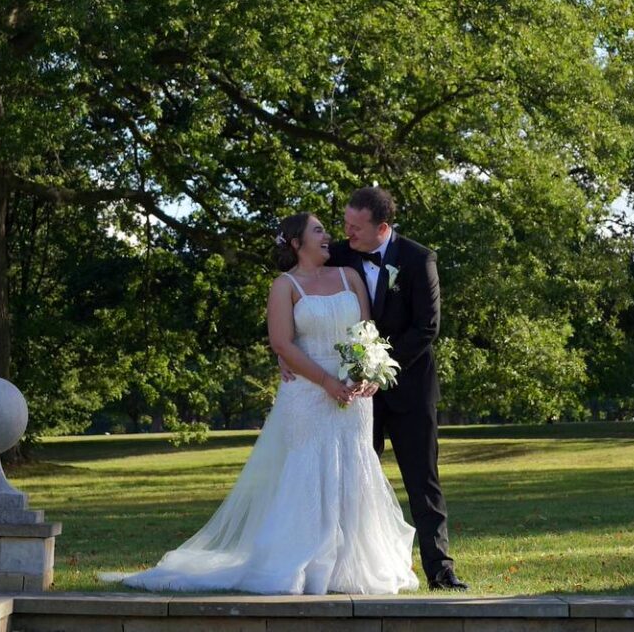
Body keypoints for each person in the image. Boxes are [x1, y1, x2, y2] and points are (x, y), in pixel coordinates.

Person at [103, 213, 421, 595]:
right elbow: (282, 344)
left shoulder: (349, 277)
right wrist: (325, 382)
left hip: (354, 396)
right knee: (307, 472)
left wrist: (367, 374)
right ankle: (302, 564)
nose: (328, 236)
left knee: (352, 468)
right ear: (295, 242)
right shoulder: (284, 286)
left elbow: (367, 334)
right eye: (318, 230)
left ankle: (347, 567)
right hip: (308, 391)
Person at [314, 186, 467, 591]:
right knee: (352, 479)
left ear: (382, 227)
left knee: (422, 480)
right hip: (353, 394)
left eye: (355, 226)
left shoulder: (419, 259)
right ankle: (344, 567)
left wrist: (377, 368)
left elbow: (427, 328)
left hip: (410, 390)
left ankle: (440, 568)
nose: (345, 233)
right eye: (345, 223)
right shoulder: (342, 256)